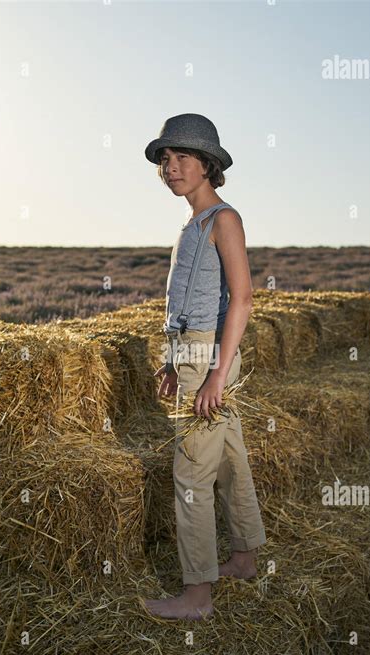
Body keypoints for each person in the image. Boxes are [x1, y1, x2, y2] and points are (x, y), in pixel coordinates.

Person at [142, 114, 267, 620]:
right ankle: (244, 557)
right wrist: (174, 361)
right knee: (232, 461)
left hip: (210, 358)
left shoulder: (224, 220)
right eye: (166, 160)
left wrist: (216, 373)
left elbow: (243, 299)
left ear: (208, 165)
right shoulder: (190, 226)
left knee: (190, 476)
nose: (172, 168)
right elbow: (190, 303)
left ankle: (196, 596)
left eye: (182, 159)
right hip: (192, 355)